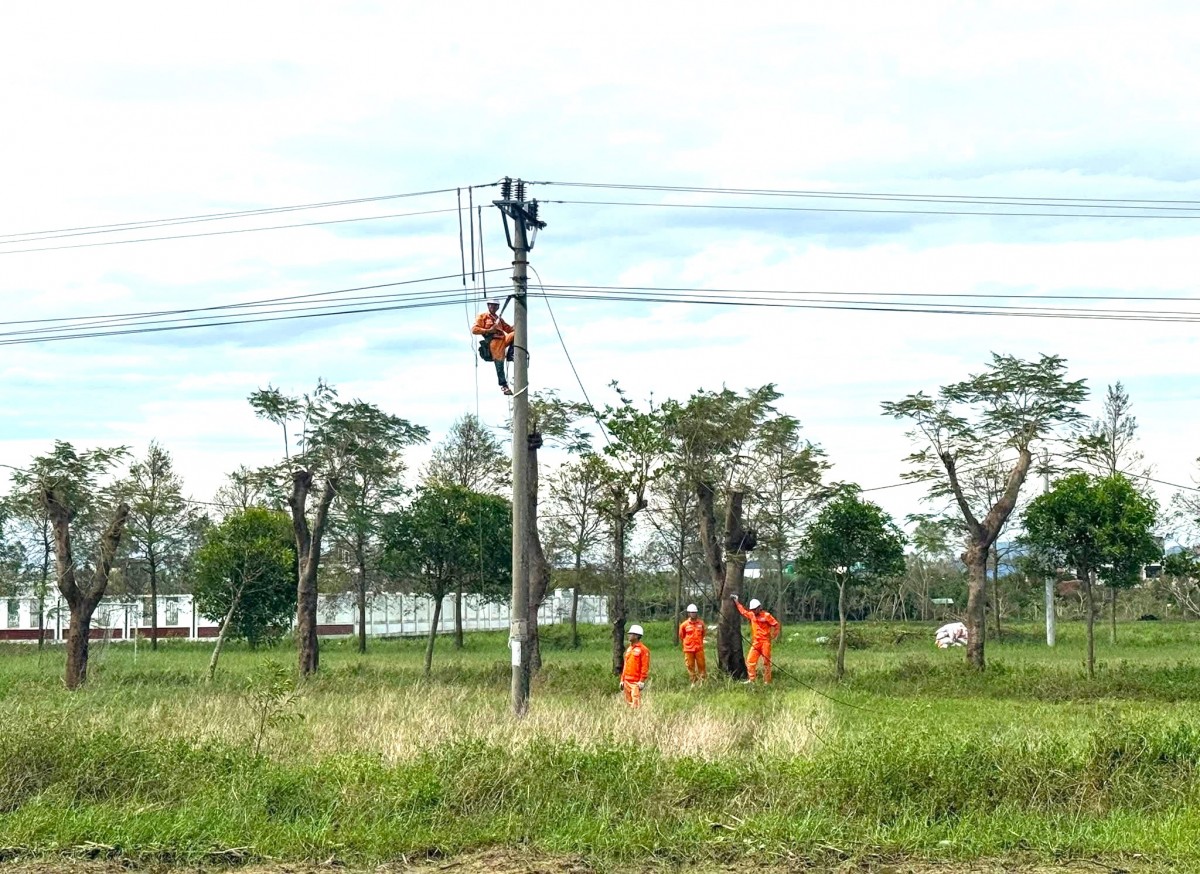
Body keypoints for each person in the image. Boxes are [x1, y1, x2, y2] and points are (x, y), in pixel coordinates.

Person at [730, 594, 781, 684]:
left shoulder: (766, 615)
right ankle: (752, 679)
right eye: (752, 610)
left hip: (765, 642)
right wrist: (736, 602)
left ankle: (767, 681)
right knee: (750, 660)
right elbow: (743, 611)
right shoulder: (751, 615)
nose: (753, 611)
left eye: (755, 609)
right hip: (756, 642)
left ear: (759, 607)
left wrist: (774, 636)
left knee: (766, 662)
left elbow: (776, 624)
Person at [471, 299, 515, 395]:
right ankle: (504, 385)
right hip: (494, 342)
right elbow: (474, 330)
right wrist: (488, 331)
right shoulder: (483, 316)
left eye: (496, 305)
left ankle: (511, 354)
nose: (494, 307)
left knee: (515, 334)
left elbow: (509, 329)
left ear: (498, 307)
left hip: (502, 340)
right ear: (488, 305)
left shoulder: (499, 318)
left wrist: (518, 324)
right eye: (492, 305)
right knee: (499, 362)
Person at [620, 624, 650, 708]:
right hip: (626, 681)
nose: (628, 635)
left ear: (636, 636)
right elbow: (625, 665)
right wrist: (622, 679)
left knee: (635, 704)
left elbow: (645, 666)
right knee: (628, 703)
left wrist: (642, 680)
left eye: (631, 634)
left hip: (636, 682)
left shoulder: (643, 650)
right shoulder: (629, 649)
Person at [678, 604, 707, 685]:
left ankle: (702, 682)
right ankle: (693, 682)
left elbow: (703, 634)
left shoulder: (701, 623)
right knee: (690, 666)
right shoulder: (684, 625)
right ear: (688, 613)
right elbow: (681, 635)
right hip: (688, 649)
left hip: (699, 649)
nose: (693, 614)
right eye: (691, 612)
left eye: (694, 612)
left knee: (702, 665)